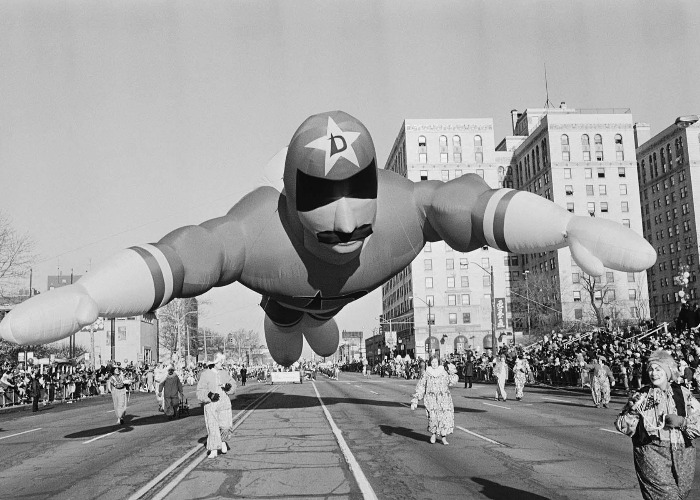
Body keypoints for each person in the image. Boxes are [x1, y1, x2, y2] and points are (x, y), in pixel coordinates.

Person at [615, 350, 700, 499]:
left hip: (683, 453)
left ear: (667, 371)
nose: (654, 373)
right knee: (667, 496)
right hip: (651, 453)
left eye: (658, 369)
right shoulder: (641, 395)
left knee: (681, 494)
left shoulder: (684, 393)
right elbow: (622, 426)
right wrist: (632, 411)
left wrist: (682, 422)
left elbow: (698, 424)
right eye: (651, 370)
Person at [197, 353, 237, 459]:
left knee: (225, 425)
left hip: (224, 401)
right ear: (214, 363)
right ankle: (214, 449)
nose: (222, 363)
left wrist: (229, 387)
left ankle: (223, 442)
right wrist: (209, 395)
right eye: (219, 362)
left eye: (222, 361)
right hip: (211, 404)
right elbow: (200, 390)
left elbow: (233, 384)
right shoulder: (205, 374)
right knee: (212, 425)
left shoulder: (224, 373)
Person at [410, 356, 458, 445]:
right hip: (431, 399)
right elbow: (421, 386)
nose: (434, 364)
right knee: (432, 417)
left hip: (444, 399)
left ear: (438, 362)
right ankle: (433, 434)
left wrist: (452, 371)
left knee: (444, 418)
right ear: (430, 363)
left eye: (436, 362)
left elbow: (452, 381)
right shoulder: (427, 373)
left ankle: (444, 437)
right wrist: (416, 398)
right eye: (432, 362)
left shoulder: (443, 372)